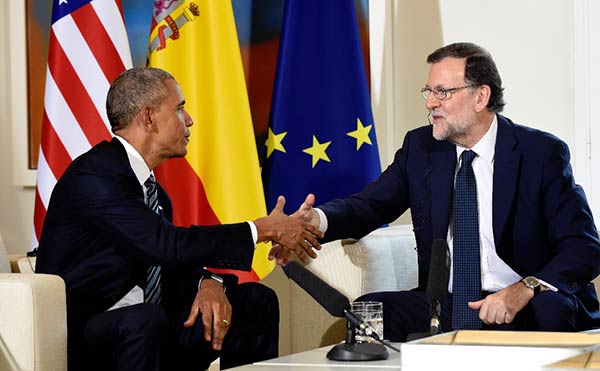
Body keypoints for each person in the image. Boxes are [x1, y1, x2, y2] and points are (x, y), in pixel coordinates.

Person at [277, 42, 600, 340]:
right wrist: (314, 221)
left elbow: (583, 247)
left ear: (480, 97)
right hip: (449, 304)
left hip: (525, 302)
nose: (431, 103)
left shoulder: (539, 153)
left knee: (552, 309)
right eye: (428, 91)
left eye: (443, 92)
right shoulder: (421, 148)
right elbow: (369, 206)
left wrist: (525, 288)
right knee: (371, 312)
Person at [35, 67, 323, 371]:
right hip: (88, 336)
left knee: (255, 300)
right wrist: (260, 229)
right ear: (148, 117)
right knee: (147, 319)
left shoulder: (154, 192)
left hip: (148, 327)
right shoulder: (95, 176)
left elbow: (168, 264)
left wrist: (209, 283)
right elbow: (166, 245)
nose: (189, 120)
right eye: (180, 108)